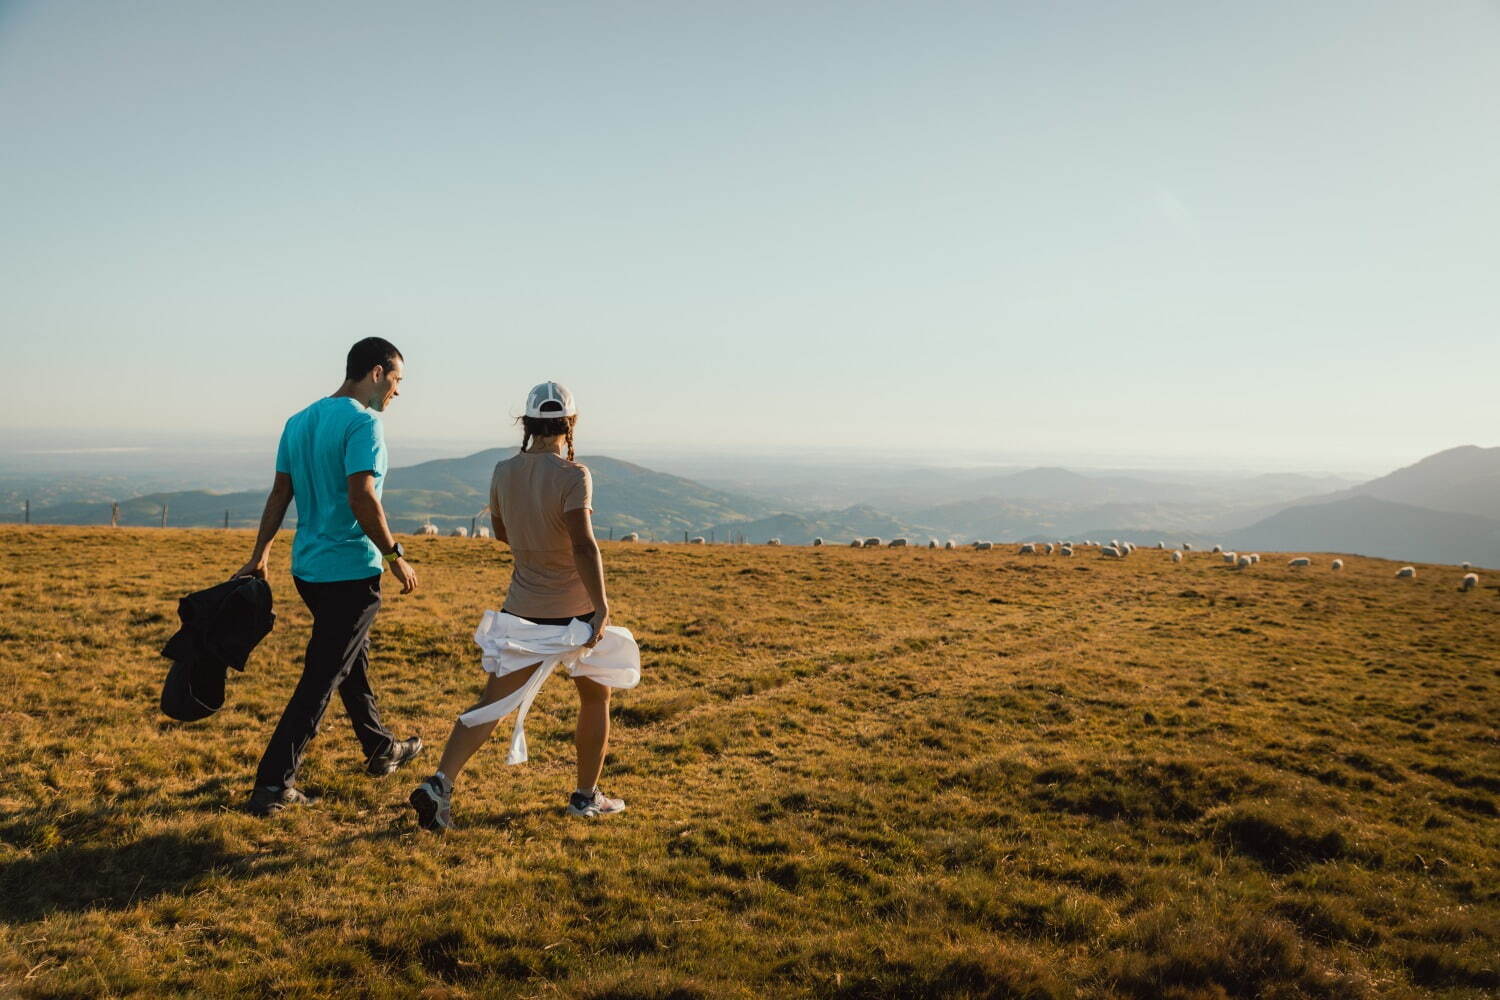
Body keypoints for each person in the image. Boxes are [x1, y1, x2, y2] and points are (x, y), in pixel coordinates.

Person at [409, 380, 640, 833]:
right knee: (596, 695)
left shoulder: (502, 471)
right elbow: (584, 546)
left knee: (490, 705)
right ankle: (584, 797)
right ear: (570, 424)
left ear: (527, 423)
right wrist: (602, 606)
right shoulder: (574, 476)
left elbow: (501, 533)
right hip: (573, 614)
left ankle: (440, 783)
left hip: (521, 612)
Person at [236, 337, 424, 817]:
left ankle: (381, 747)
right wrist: (394, 554)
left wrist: (262, 553)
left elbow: (281, 492)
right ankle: (273, 785)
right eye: (398, 380)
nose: (398, 392)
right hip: (350, 571)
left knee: (347, 660)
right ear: (377, 372)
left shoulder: (298, 422)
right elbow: (362, 495)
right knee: (322, 675)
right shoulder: (365, 424)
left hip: (309, 570)